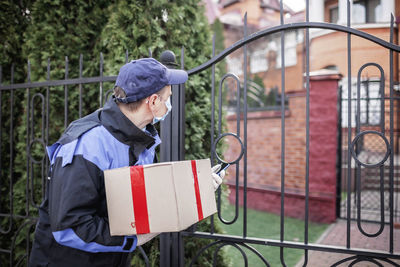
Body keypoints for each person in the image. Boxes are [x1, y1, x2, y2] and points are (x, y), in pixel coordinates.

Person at [28, 58, 226, 267]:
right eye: (168, 97)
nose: (170, 103)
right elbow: (71, 227)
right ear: (153, 102)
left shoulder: (141, 139)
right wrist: (132, 240)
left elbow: (145, 202)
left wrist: (193, 190)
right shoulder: (87, 145)